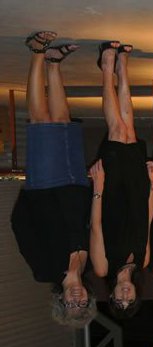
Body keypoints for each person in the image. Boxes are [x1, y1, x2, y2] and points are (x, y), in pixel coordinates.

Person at [11, 31, 96, 328]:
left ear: (60, 300)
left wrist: (33, 192)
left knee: (40, 122)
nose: (76, 299)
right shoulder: (88, 266)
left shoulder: (45, 270)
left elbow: (21, 227)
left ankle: (37, 52)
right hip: (76, 186)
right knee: (63, 122)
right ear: (88, 298)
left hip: (45, 187)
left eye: (71, 305)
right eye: (82, 303)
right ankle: (54, 63)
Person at [90, 41, 153, 318]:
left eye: (120, 301)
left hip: (112, 192)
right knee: (129, 131)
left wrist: (98, 187)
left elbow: (95, 226)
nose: (125, 296)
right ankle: (122, 67)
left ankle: (108, 67)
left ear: (112, 295)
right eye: (130, 300)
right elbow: (147, 221)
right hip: (138, 190)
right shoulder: (143, 262)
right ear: (137, 295)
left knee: (116, 131)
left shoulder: (103, 268)